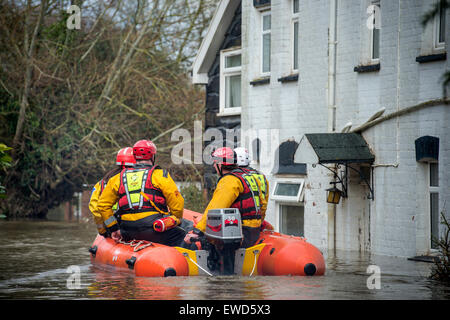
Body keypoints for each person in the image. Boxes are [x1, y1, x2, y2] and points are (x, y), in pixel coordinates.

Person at [97, 139, 186, 247]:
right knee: (182, 235)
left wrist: (114, 228)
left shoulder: (117, 178)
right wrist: (175, 219)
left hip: (127, 231)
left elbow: (102, 205)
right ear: (153, 156)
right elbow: (177, 203)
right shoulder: (160, 175)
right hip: (154, 229)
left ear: (134, 156)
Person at [186, 147, 266, 248]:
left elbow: (215, 208)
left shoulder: (229, 181)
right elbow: (262, 205)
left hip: (239, 232)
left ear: (220, 164)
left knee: (196, 245)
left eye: (215, 163)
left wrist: (197, 231)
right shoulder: (248, 177)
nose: (214, 166)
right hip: (254, 230)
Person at [89, 147, 136, 237]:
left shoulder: (102, 183)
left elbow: (95, 210)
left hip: (111, 228)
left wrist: (103, 231)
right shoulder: (139, 181)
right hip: (134, 226)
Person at [234, 147, 273, 231]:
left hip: (241, 223)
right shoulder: (261, 176)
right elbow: (264, 202)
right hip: (258, 221)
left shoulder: (237, 177)